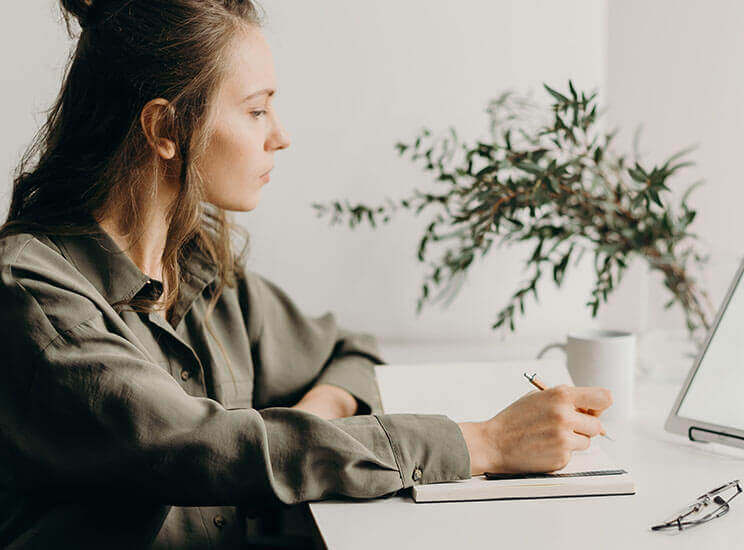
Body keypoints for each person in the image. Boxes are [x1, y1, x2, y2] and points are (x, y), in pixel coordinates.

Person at [0, 1, 613, 548]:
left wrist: (317, 414)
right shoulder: (32, 297)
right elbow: (207, 446)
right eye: (257, 110)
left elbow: (350, 352)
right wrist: (485, 444)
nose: (282, 136)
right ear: (165, 129)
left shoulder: (198, 270)